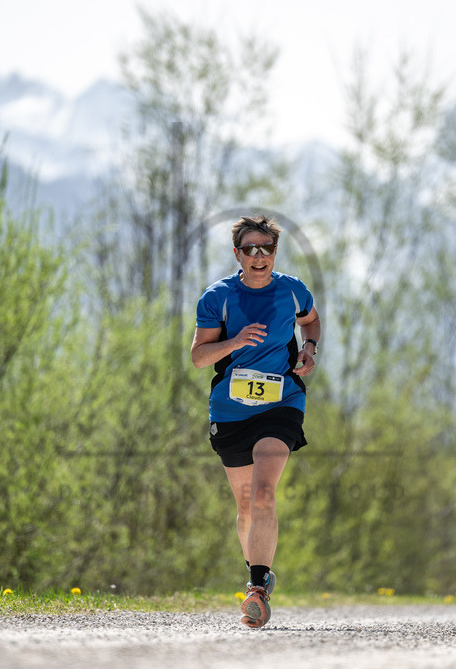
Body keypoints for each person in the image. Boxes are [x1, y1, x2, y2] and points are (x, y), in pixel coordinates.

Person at [190, 213, 320, 629]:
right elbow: (198, 357)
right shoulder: (218, 297)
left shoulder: (292, 289)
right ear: (238, 254)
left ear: (275, 252)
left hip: (282, 401)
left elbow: (310, 319)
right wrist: (234, 341)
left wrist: (309, 348)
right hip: (230, 411)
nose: (259, 256)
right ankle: (258, 568)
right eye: (251, 249)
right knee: (246, 506)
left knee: (264, 494)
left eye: (267, 248)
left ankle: (257, 587)